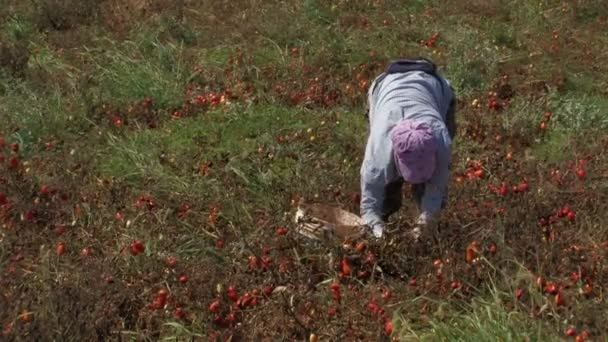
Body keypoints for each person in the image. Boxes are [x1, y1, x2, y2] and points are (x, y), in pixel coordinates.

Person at [359, 57, 457, 240]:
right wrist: (377, 233)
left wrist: (424, 225)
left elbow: (436, 190)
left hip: (433, 84)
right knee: (386, 192)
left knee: (430, 202)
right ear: (396, 158)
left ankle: (427, 233)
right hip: (385, 88)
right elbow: (368, 207)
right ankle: (386, 218)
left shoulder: (441, 142)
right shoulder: (377, 157)